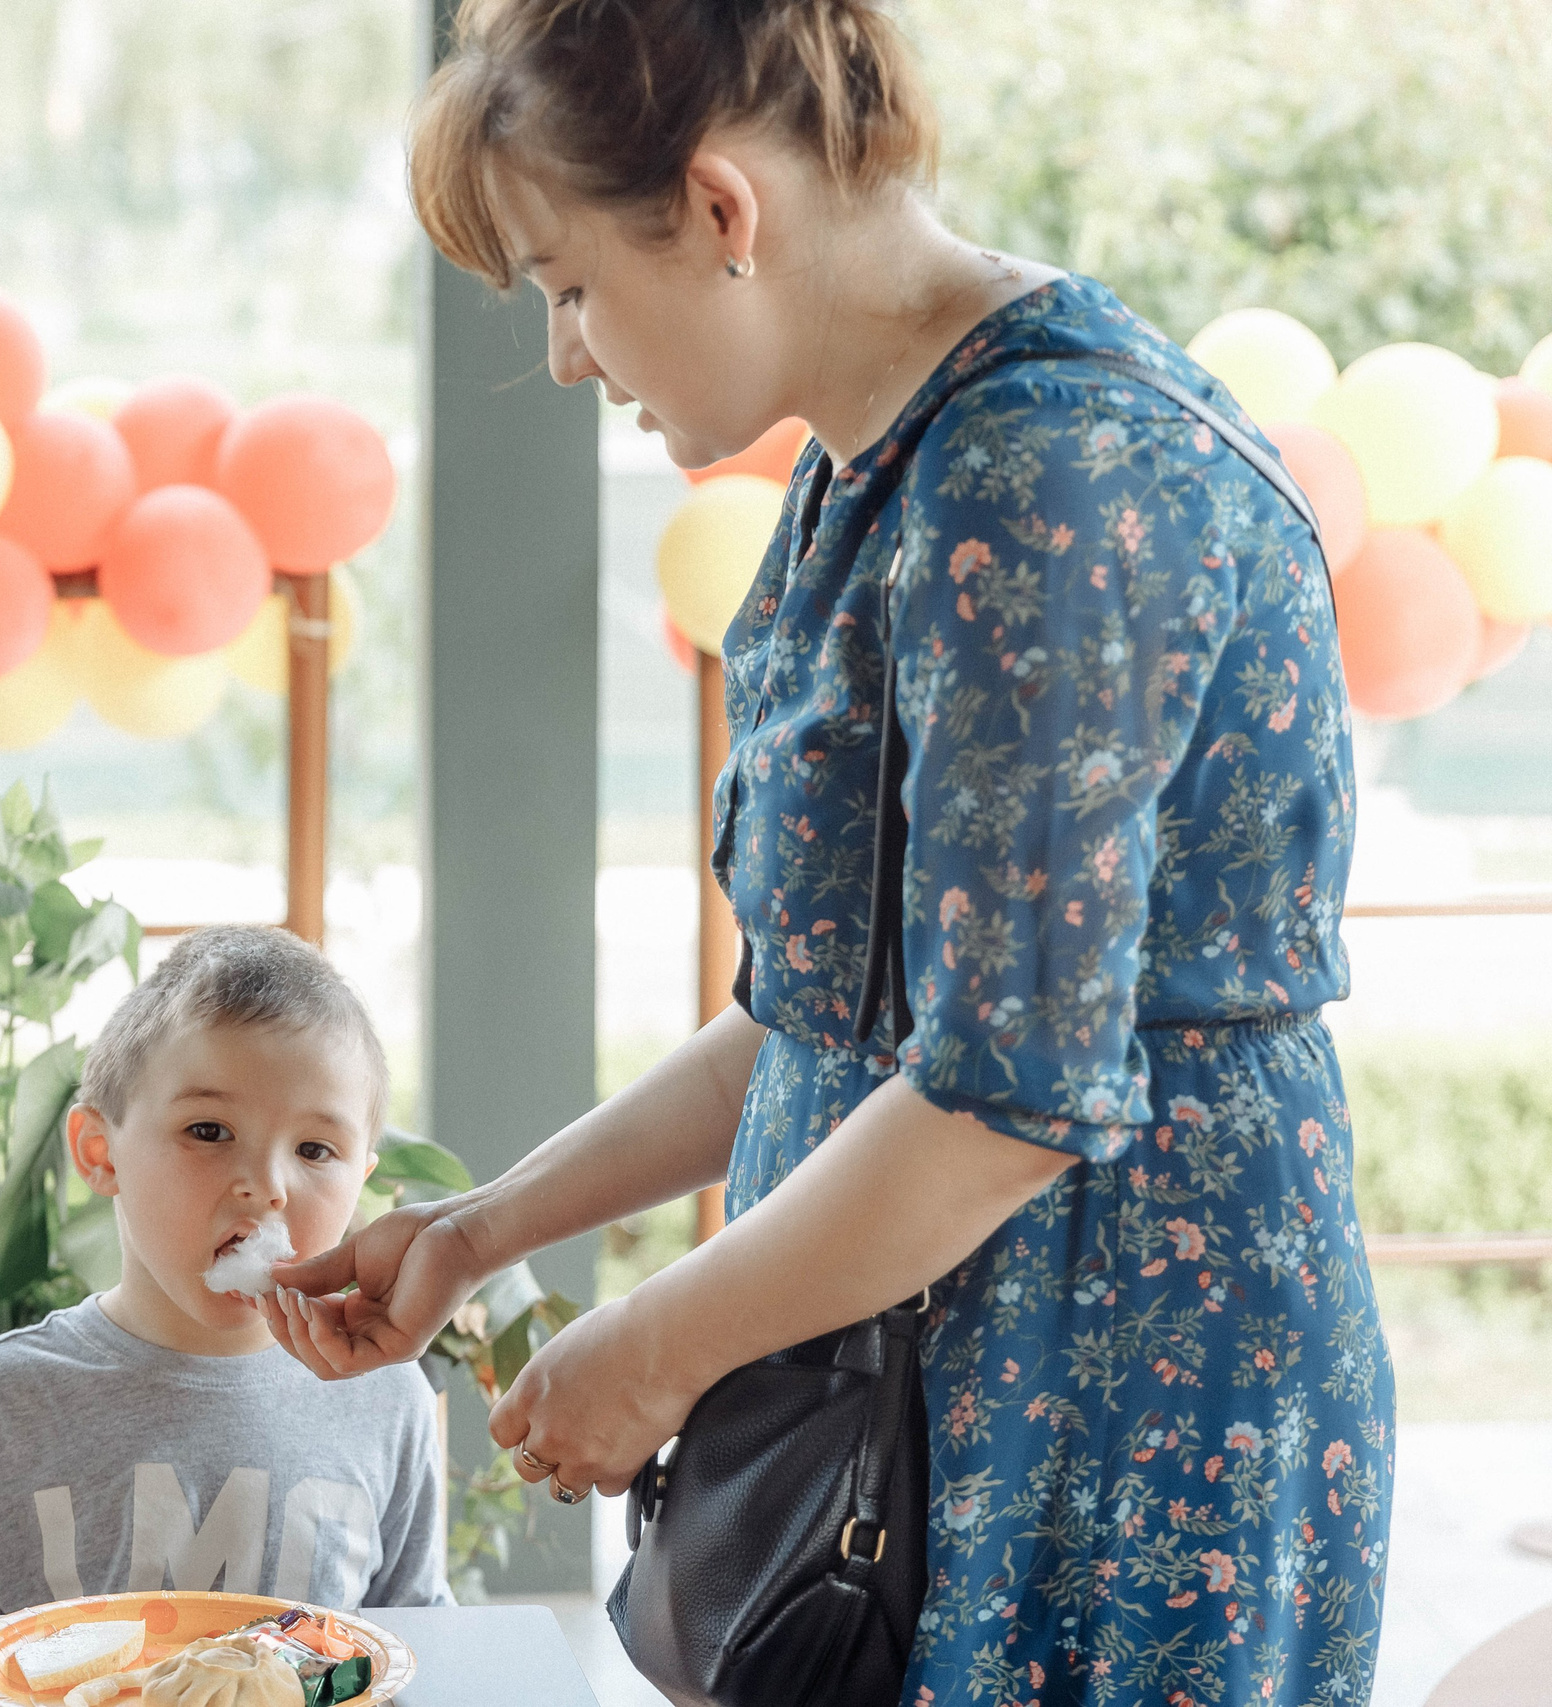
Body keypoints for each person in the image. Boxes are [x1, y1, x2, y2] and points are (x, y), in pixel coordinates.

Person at [261, 3, 1393, 1703]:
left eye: (567, 286)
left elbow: (1006, 1099)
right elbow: (832, 1013)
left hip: (1113, 1397)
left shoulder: (1053, 477)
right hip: (940, 1377)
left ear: (722, 212)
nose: (567, 353)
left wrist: (655, 1349)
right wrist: (481, 1230)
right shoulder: (885, 460)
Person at [0, 925, 452, 1617]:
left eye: (314, 1148)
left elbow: (422, 1649)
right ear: (99, 1152)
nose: (268, 1184)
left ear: (361, 1178)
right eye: (209, 1130)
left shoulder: (387, 1402)